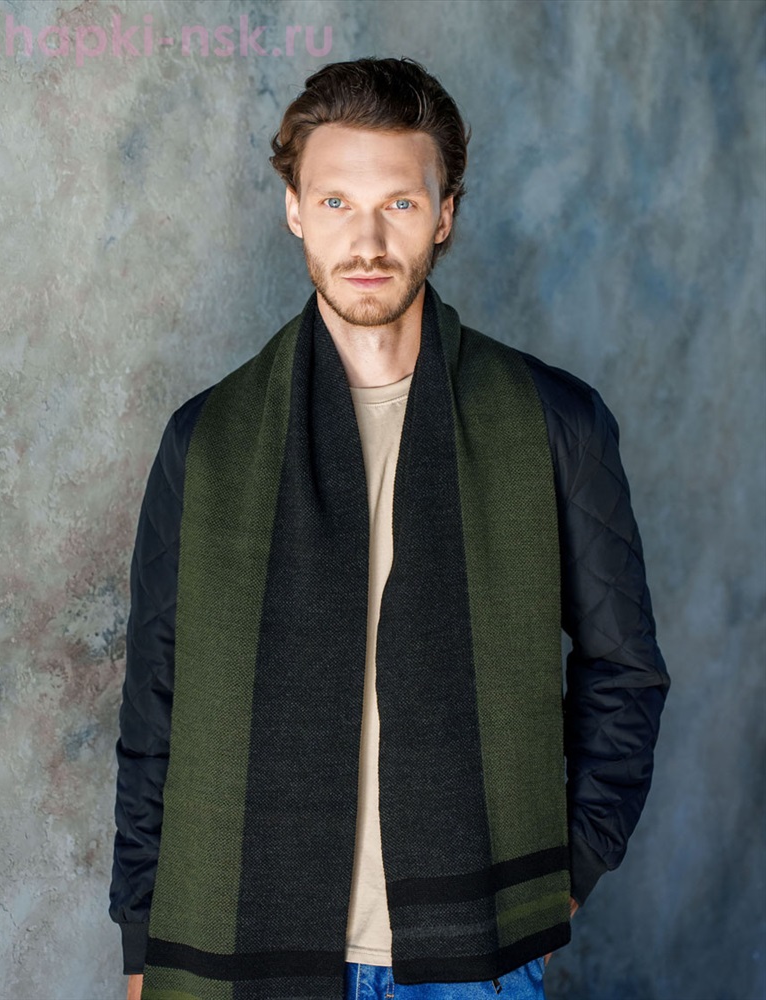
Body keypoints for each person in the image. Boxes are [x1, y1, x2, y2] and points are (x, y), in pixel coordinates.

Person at [109, 56, 669, 1000]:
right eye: (336, 202)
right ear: (295, 209)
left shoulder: (554, 423)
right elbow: (153, 705)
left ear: (444, 214)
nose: (366, 240)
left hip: (478, 954)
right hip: (238, 939)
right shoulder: (206, 441)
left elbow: (626, 670)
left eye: (399, 204)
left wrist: (566, 872)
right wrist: (139, 938)